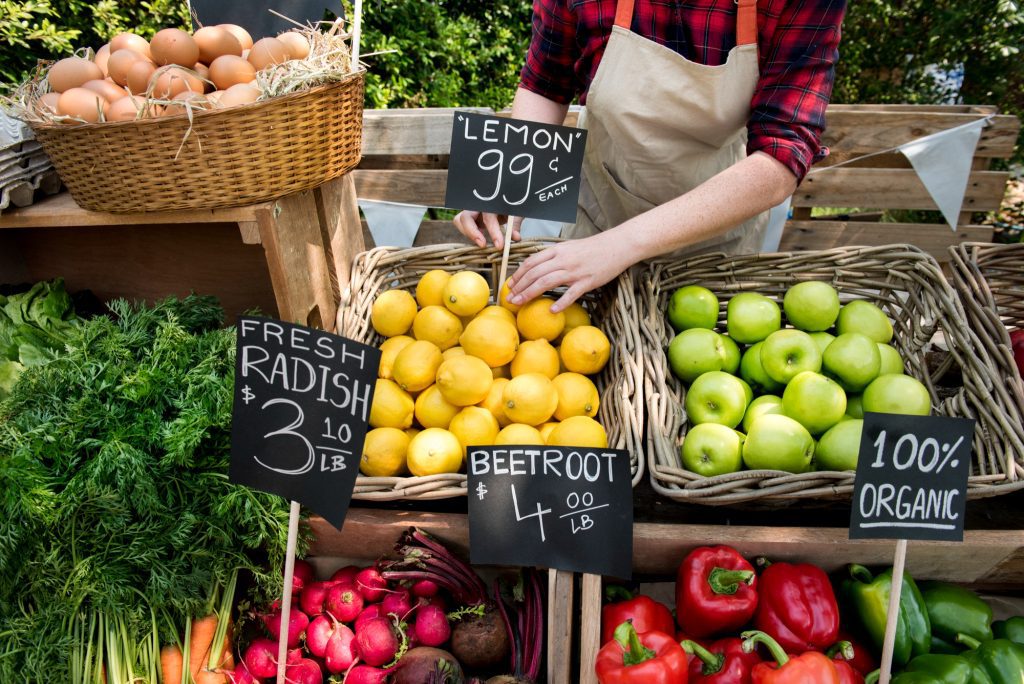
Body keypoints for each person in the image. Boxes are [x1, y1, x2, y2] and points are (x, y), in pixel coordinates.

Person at [453, 0, 846, 311]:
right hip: (596, 224)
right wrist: (509, 179)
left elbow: (781, 155)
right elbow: (545, 83)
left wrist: (623, 245)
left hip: (715, 245)